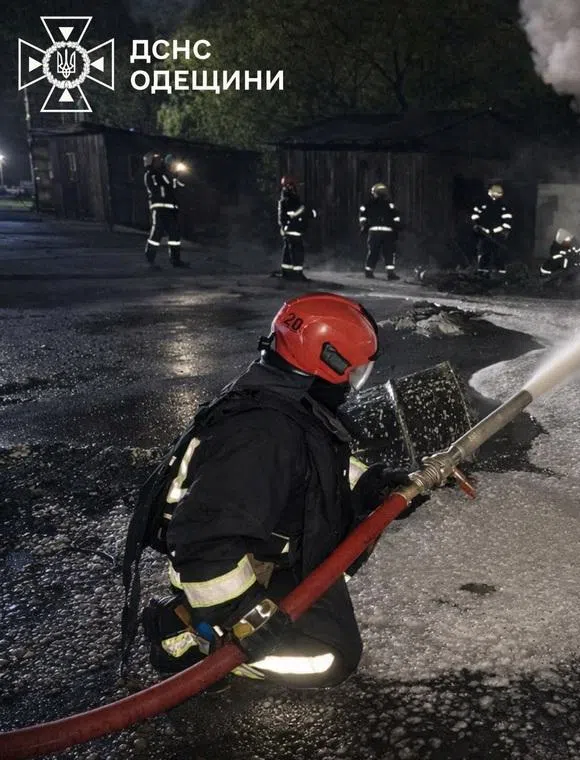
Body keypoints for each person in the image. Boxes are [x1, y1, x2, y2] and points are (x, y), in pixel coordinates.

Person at [127, 292, 418, 688]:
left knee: (348, 538)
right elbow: (204, 539)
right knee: (329, 657)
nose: (352, 385)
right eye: (353, 372)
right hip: (222, 573)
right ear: (327, 362)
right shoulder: (261, 435)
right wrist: (243, 615)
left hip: (263, 550)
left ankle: (244, 612)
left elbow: (311, 465)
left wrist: (373, 486)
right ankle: (189, 638)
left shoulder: (287, 400)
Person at [144, 153, 187, 269]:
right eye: (157, 160)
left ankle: (175, 260)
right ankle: (150, 260)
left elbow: (179, 185)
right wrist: (172, 175)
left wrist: (178, 175)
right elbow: (163, 185)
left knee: (174, 235)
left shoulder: (165, 173)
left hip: (171, 209)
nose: (160, 161)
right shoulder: (151, 174)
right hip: (159, 209)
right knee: (156, 234)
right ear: (151, 162)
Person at [358, 183, 402, 280]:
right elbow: (396, 219)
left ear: (374, 193)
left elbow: (363, 217)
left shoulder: (368, 204)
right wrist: (396, 229)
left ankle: (369, 272)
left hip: (374, 232)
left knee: (373, 252)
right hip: (388, 233)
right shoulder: (390, 205)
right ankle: (390, 274)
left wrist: (364, 227)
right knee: (389, 252)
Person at [278, 177, 317, 281]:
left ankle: (286, 272)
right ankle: (297, 274)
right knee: (297, 251)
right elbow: (298, 212)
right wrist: (309, 212)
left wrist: (283, 227)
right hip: (294, 230)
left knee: (288, 250)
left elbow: (282, 216)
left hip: (289, 230)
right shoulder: (292, 200)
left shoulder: (284, 199)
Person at [470, 184, 512, 275]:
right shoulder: (482, 203)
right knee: (484, 252)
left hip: (498, 235)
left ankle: (500, 273)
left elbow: (507, 222)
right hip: (483, 233)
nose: (497, 195)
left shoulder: (503, 206)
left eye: (499, 193)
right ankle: (482, 272)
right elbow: (474, 215)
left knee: (498, 253)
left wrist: (497, 231)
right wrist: (478, 226)